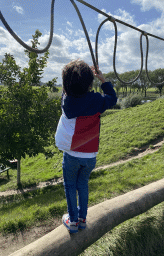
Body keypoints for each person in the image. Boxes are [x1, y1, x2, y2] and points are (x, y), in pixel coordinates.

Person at [55, 59, 117, 233]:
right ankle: (82, 220)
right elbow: (112, 99)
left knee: (70, 186)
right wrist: (102, 79)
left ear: (66, 85)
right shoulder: (97, 100)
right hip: (90, 156)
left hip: (71, 154)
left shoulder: (66, 102)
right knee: (82, 185)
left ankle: (72, 221)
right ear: (90, 84)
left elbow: (68, 89)